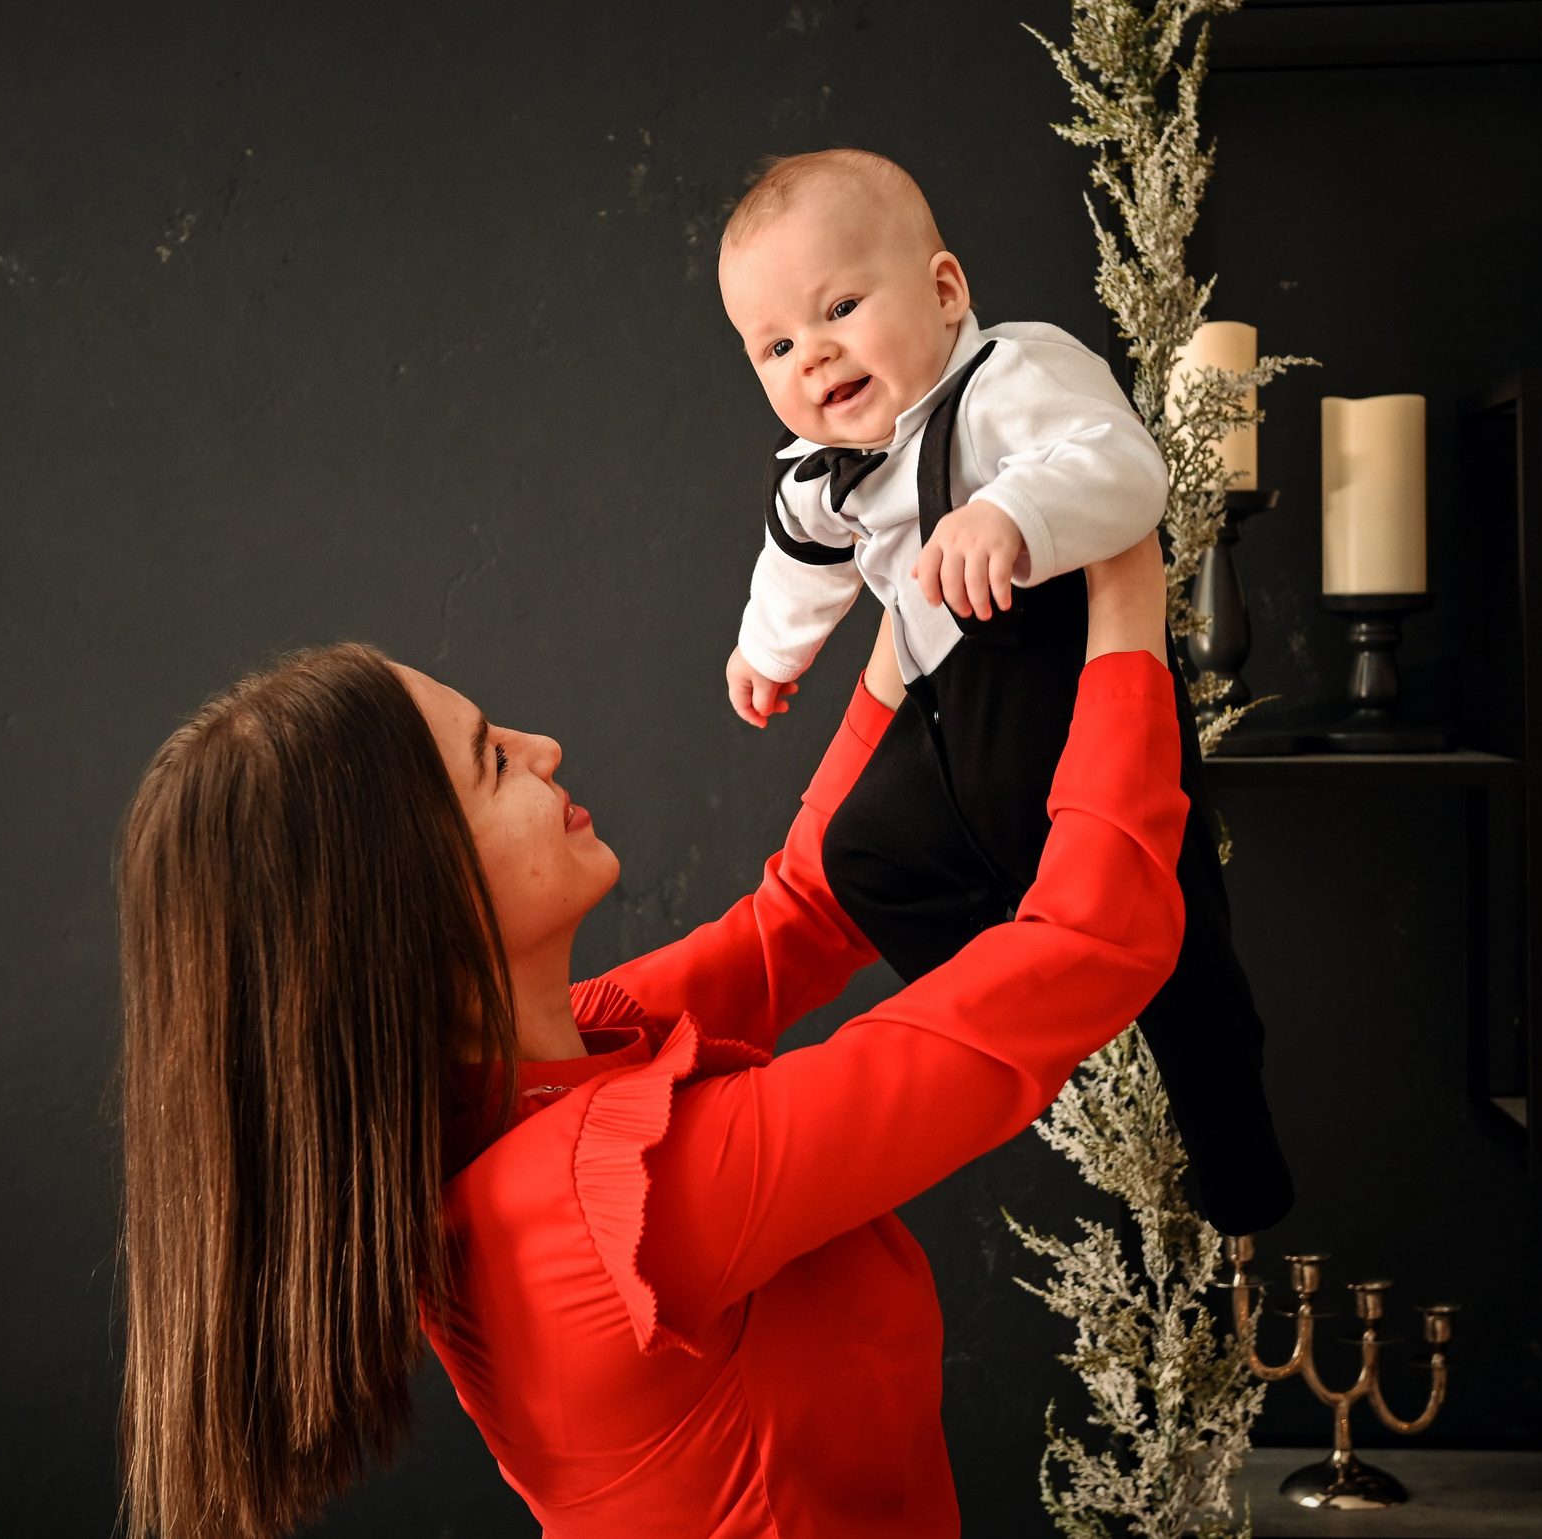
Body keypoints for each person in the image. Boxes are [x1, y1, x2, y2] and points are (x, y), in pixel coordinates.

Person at [117, 537, 1189, 1539]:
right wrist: (1124, 558)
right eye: (493, 762)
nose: (544, 748)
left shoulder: (542, 1072)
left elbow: (803, 916)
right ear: (413, 907)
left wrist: (904, 601)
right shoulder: (619, 1202)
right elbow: (1089, 945)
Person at [719, 148, 1291, 1234]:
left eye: (840, 307)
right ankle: (1025, 1018)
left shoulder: (1009, 378)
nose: (815, 353)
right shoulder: (818, 470)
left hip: (1067, 675)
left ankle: (1240, 1161)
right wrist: (767, 653)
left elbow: (1123, 467)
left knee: (1184, 959)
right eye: (777, 345)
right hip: (947, 704)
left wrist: (1012, 513)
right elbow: (798, 567)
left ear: (944, 290)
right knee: (863, 856)